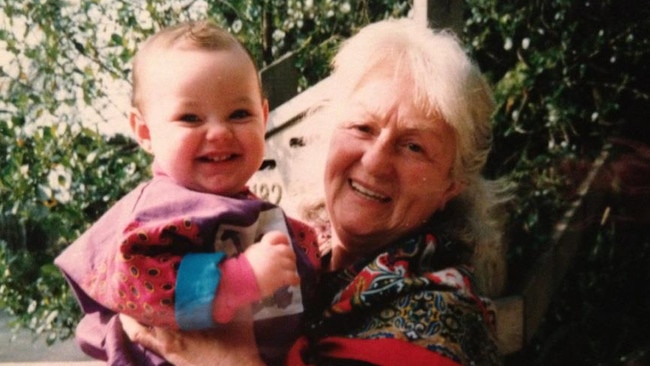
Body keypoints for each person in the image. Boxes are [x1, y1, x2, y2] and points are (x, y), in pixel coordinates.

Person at [127, 17, 510, 365]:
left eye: (414, 147)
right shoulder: (296, 243)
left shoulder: (440, 321)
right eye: (362, 127)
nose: (375, 162)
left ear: (450, 186)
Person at [54, 20, 320, 365]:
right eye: (191, 118)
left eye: (240, 114)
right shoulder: (156, 213)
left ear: (264, 116)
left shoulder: (241, 204)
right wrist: (239, 278)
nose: (220, 132)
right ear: (145, 131)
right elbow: (141, 282)